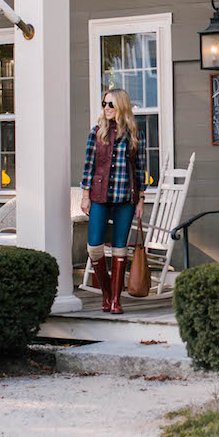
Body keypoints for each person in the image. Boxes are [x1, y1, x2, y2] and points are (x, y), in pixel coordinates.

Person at [80, 88, 147, 314]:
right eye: (104, 104)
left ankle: (116, 300)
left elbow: (139, 170)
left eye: (111, 104)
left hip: (126, 198)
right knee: (94, 246)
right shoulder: (96, 132)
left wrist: (140, 200)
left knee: (120, 248)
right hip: (99, 195)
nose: (106, 108)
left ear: (121, 107)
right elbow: (88, 166)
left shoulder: (134, 134)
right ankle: (106, 293)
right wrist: (85, 195)